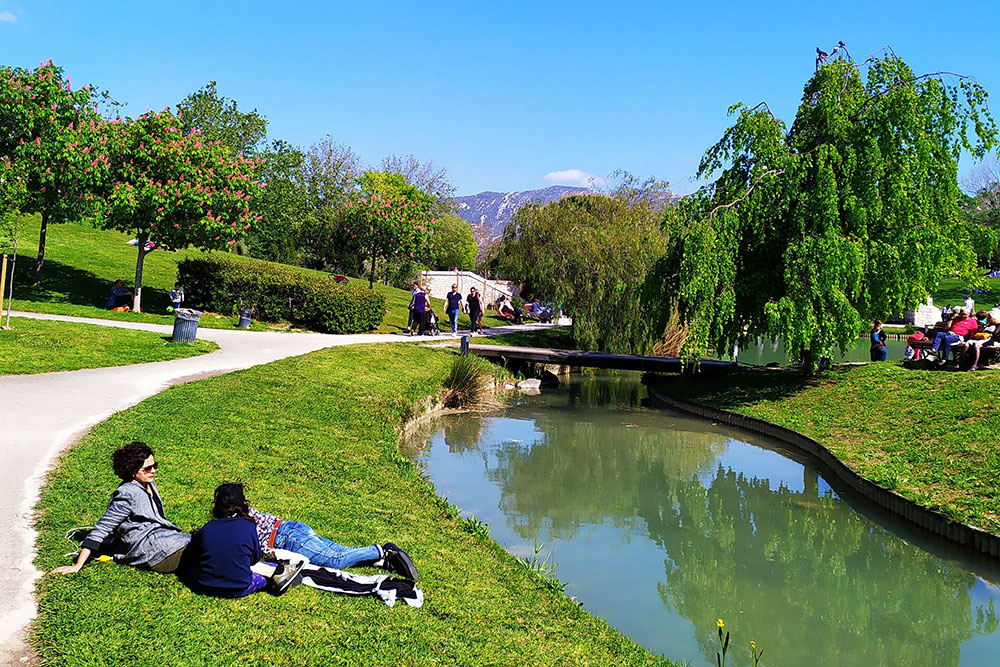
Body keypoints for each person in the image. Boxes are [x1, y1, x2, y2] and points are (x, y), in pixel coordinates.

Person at [51, 441, 190, 575]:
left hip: (165, 540)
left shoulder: (148, 483)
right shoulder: (127, 493)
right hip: (154, 552)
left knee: (204, 541)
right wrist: (77, 565)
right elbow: (102, 528)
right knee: (204, 548)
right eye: (147, 468)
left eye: (155, 466)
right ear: (132, 470)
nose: (153, 471)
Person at [245, 487, 418, 580]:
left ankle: (386, 551)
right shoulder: (245, 511)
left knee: (335, 560)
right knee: (341, 553)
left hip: (287, 540)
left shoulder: (236, 524)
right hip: (291, 528)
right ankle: (384, 563)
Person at [180, 484, 302, 598]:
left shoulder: (207, 528)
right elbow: (254, 559)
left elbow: (194, 553)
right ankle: (278, 574)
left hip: (204, 585)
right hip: (238, 587)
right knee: (267, 568)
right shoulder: (248, 527)